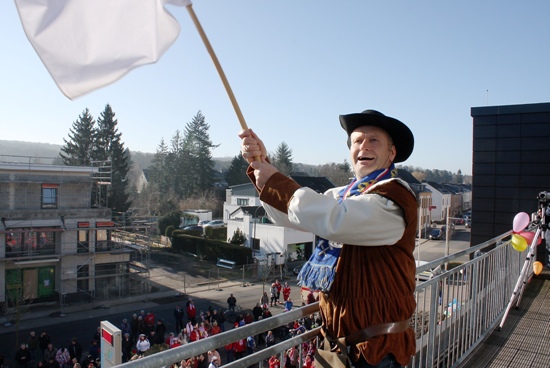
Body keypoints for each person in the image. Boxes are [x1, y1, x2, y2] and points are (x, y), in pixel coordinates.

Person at [239, 109, 417, 368]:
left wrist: (275, 181)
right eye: (357, 141)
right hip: (339, 348)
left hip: (378, 353)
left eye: (373, 140)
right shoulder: (343, 195)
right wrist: (262, 166)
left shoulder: (394, 199)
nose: (363, 146)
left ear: (391, 154)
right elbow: (291, 214)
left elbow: (334, 219)